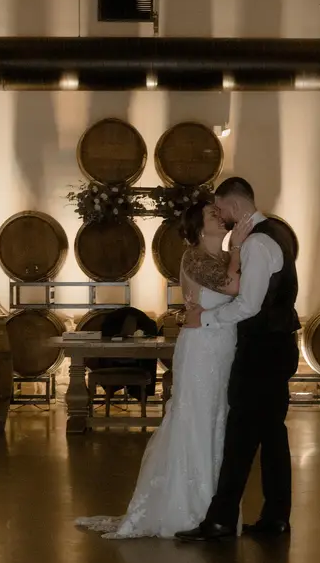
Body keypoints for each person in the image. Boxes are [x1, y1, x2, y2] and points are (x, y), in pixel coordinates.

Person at [75, 200, 253, 539]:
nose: (220, 217)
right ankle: (188, 509)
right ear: (199, 227)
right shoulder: (194, 257)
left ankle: (216, 508)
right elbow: (233, 287)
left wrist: (235, 252)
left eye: (219, 213)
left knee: (217, 421)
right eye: (212, 214)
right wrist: (238, 248)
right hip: (201, 350)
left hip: (222, 348)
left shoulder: (220, 257)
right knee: (196, 421)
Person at [176, 177, 300, 542]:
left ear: (232, 206)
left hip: (261, 351)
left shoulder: (258, 243)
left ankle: (221, 520)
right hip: (274, 347)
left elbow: (248, 304)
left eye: (220, 209)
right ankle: (274, 517)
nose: (220, 216)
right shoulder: (275, 233)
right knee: (271, 435)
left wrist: (206, 319)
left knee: (241, 436)